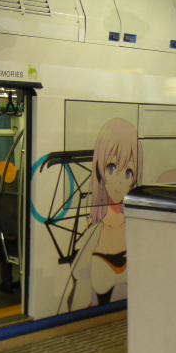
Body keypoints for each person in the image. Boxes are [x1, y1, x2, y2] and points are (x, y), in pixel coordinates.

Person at [60, 118, 141, 312]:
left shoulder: (139, 227)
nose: (120, 181)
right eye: (111, 168)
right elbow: (80, 295)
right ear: (99, 171)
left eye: (128, 172)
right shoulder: (93, 233)